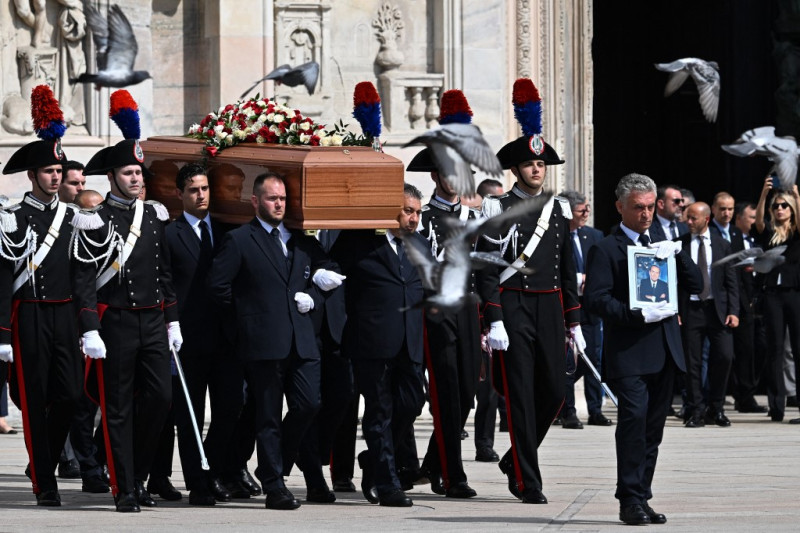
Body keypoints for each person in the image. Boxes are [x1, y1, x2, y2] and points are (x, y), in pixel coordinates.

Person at [70, 90, 182, 513]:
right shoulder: (95, 218)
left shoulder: (153, 215)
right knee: (116, 408)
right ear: (112, 176)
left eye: (140, 172)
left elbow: (164, 272)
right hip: (115, 321)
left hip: (153, 321)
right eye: (129, 172)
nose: (137, 179)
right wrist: (89, 327)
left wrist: (173, 320)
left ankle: (138, 473)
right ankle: (124, 487)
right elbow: (84, 279)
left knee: (159, 399)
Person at [477, 78, 582, 505]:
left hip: (550, 307)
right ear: (516, 168)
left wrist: (575, 322)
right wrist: (494, 316)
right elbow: (485, 268)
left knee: (556, 393)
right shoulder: (497, 208)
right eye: (529, 164)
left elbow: (568, 269)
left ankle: (514, 459)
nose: (536, 170)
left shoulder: (559, 209)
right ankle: (526, 480)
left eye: (541, 165)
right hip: (514, 307)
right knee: (518, 395)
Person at [584, 173, 702, 525]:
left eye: (651, 207)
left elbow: (696, 285)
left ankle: (642, 495)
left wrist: (677, 255)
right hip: (630, 352)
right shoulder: (606, 248)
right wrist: (635, 314)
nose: (646, 215)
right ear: (620, 207)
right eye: (638, 208)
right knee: (633, 422)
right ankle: (629, 498)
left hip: (665, 348)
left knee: (653, 429)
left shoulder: (665, 242)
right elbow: (595, 300)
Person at [209, 171, 329, 510]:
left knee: (309, 405)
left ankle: (272, 466)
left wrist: (316, 297)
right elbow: (218, 287)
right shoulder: (240, 239)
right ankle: (275, 485)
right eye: (273, 198)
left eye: (283, 199)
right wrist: (248, 318)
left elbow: (326, 270)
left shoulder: (301, 239)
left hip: (302, 340)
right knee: (268, 416)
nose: (279, 204)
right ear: (256, 201)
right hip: (262, 343)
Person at [0, 88, 82, 506]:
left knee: (70, 395)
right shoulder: (13, 216)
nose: (55, 176)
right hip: (29, 316)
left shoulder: (74, 218)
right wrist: (2, 334)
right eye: (48, 171)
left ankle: (43, 462)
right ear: (33, 175)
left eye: (58, 170)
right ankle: (45, 485)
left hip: (65, 316)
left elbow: (83, 274)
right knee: (33, 400)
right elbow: (2, 277)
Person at [330, 183, 427, 508]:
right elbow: (329, 267)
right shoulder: (360, 242)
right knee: (379, 412)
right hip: (371, 343)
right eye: (407, 211)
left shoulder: (420, 245)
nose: (413, 219)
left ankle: (373, 460)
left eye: (417, 212)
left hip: (409, 343)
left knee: (413, 403)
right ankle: (387, 483)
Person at [164, 163, 247, 506]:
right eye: (194, 190)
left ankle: (211, 469)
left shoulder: (228, 229)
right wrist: (171, 323)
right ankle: (198, 484)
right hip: (189, 337)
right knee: (190, 415)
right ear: (180, 194)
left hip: (226, 336)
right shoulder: (170, 233)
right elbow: (166, 281)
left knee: (231, 406)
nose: (201, 195)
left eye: (205, 189)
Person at [409, 137, 481, 498]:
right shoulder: (425, 219)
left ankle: (430, 465)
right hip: (437, 311)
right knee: (446, 394)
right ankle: (453, 474)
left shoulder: (475, 218)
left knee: (467, 393)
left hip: (468, 309)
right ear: (436, 176)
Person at [679, 202, 739, 428]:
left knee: (724, 356)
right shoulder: (680, 245)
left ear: (706, 219)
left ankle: (716, 407)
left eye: (693, 218)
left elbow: (731, 282)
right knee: (692, 362)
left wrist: (734, 311)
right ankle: (696, 409)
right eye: (688, 218)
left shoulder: (722, 245)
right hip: (691, 310)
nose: (689, 222)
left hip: (717, 310)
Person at [557, 189, 611, 429]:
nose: (587, 212)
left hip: (589, 309)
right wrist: (580, 279)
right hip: (564, 307)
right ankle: (567, 410)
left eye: (588, 208)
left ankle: (595, 409)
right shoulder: (556, 235)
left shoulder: (595, 235)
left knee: (594, 360)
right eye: (582, 209)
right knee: (568, 361)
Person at [751, 176, 800, 423]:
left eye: (784, 206)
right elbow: (758, 221)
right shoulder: (769, 233)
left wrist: (797, 197)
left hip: (795, 294)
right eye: (777, 206)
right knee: (775, 351)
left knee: (798, 350)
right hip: (772, 296)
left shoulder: (796, 233)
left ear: (792, 210)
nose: (780, 209)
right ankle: (776, 406)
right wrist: (764, 194)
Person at [730, 201, 767, 413]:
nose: (754, 221)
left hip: (759, 300)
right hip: (742, 302)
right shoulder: (734, 239)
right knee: (743, 351)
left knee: (761, 347)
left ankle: (750, 388)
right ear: (739, 219)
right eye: (751, 217)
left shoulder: (757, 239)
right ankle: (743, 395)